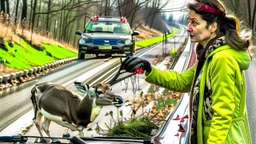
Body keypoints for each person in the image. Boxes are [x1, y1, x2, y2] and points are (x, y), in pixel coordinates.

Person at [122, 0, 252, 143]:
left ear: (213, 26)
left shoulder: (222, 59)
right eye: (188, 22)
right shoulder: (210, 57)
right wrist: (148, 68)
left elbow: (223, 115)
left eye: (194, 23)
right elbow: (182, 81)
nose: (188, 28)